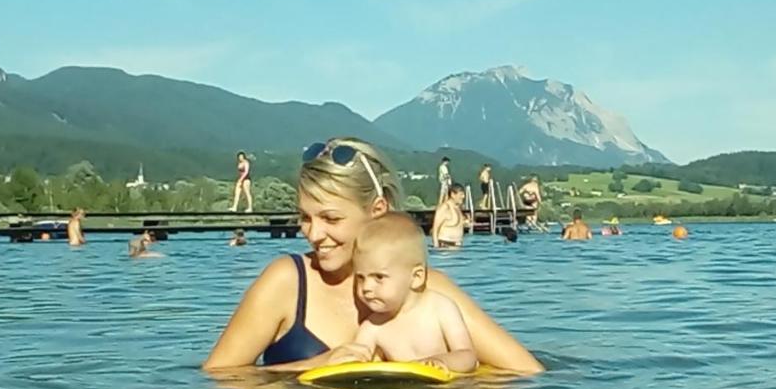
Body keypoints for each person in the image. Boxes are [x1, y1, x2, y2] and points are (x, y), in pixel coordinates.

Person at [203, 136, 542, 373]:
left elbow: (526, 373)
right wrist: (315, 365)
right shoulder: (288, 282)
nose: (313, 234)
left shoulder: (426, 289)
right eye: (305, 217)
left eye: (331, 218)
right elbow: (217, 379)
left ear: (377, 210)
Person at [326, 213, 477, 374]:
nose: (366, 287)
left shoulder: (440, 308)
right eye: (360, 277)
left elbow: (468, 357)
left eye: (379, 277)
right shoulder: (372, 328)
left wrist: (440, 361)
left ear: (416, 277)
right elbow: (358, 368)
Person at [431, 183, 467, 249]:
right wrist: (436, 248)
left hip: (457, 246)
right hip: (445, 246)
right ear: (453, 194)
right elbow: (435, 229)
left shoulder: (457, 208)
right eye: (461, 194)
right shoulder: (444, 208)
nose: (463, 197)